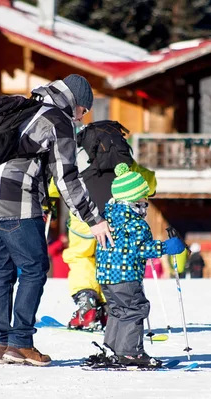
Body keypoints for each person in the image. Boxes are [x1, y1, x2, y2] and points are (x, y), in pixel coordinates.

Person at [0, 75, 113, 367]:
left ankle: (0, 343)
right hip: (13, 199)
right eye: (83, 111)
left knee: (1, 272)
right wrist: (93, 219)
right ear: (76, 103)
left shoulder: (26, 108)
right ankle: (20, 343)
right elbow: (67, 177)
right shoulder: (57, 119)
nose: (82, 119)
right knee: (34, 268)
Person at [60, 121, 158, 331]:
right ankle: (109, 308)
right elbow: (149, 183)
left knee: (81, 257)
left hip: (83, 218)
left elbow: (58, 184)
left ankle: (86, 304)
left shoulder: (80, 159)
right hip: (117, 220)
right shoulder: (125, 161)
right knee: (112, 259)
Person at [94, 163, 185, 368]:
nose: (145, 205)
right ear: (133, 201)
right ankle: (130, 352)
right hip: (125, 276)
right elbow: (142, 249)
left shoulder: (107, 219)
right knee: (134, 309)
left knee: (118, 311)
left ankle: (113, 348)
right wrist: (166, 247)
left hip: (106, 277)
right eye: (144, 199)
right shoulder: (135, 223)